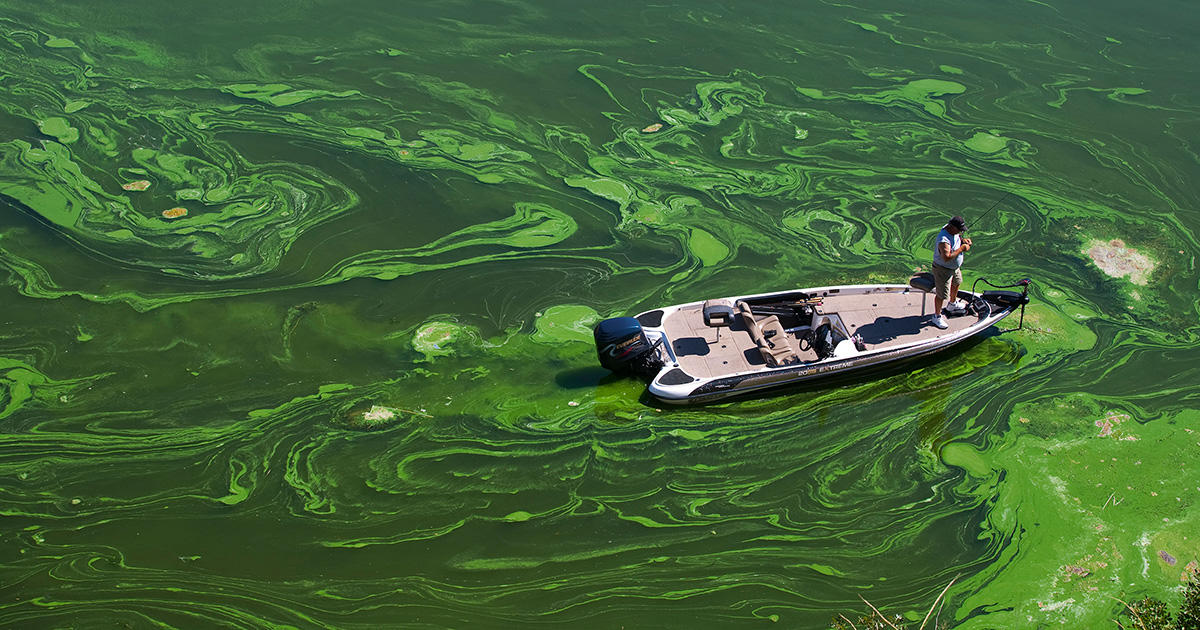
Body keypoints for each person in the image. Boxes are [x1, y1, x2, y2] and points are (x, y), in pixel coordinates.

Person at [930, 215, 971, 329]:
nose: (960, 232)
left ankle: (952, 304)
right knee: (941, 294)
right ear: (952, 227)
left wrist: (963, 241)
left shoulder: (953, 231)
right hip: (943, 269)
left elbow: (957, 239)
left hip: (954, 268)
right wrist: (962, 248)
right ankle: (936, 316)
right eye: (959, 229)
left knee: (957, 282)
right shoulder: (943, 240)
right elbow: (946, 257)